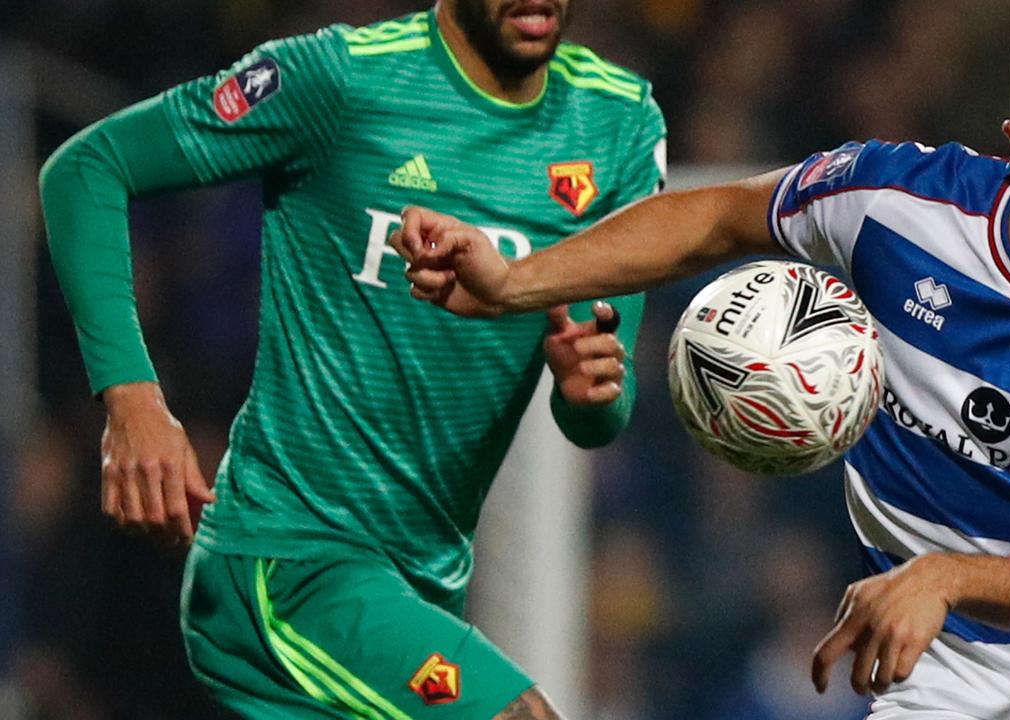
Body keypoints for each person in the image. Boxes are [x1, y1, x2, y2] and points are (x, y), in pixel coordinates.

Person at [395, 11, 1010, 719]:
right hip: (945, 689)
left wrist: (942, 576)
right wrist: (514, 280)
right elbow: (715, 221)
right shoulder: (895, 208)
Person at [39, 0, 667, 717]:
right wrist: (132, 401)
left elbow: (599, 408)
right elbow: (88, 169)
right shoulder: (340, 79)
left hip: (423, 585)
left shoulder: (618, 122)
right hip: (289, 561)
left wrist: (592, 391)